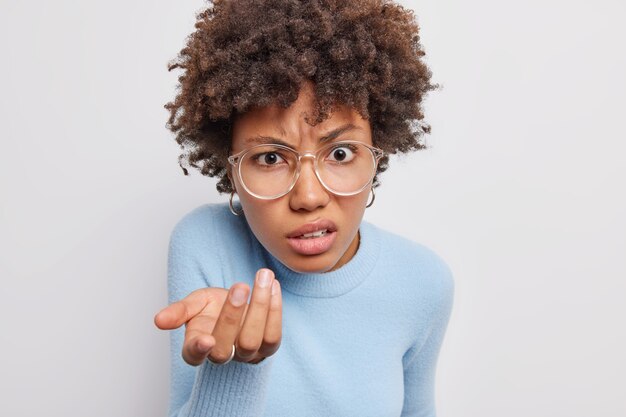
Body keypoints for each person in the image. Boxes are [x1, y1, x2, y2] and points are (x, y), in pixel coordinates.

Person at [153, 1, 454, 416]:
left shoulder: (423, 281)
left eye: (342, 152)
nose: (309, 197)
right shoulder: (206, 244)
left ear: (378, 155)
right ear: (231, 168)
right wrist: (235, 368)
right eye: (271, 159)